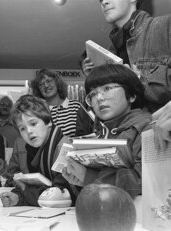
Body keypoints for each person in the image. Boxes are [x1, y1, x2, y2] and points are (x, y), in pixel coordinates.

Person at [62, 64, 151, 199]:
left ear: (132, 95)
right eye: (92, 94)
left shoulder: (147, 128)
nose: (99, 98)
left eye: (107, 88)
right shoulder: (99, 135)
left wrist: (89, 176)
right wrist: (80, 181)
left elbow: (145, 182)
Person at [82, 0, 171, 113]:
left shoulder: (166, 26)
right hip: (129, 128)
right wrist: (95, 80)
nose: (104, 2)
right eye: (101, 0)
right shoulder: (111, 51)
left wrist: (138, 80)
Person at [0, 95, 76, 207]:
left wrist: (24, 189)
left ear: (48, 121)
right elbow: (40, 187)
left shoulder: (64, 149)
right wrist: (18, 197)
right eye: (22, 128)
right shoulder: (34, 148)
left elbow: (57, 196)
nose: (29, 131)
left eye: (33, 124)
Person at [31, 68, 92, 137]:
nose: (46, 86)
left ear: (56, 82)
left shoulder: (76, 106)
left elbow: (87, 133)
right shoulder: (39, 112)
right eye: (41, 84)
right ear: (38, 90)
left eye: (49, 81)